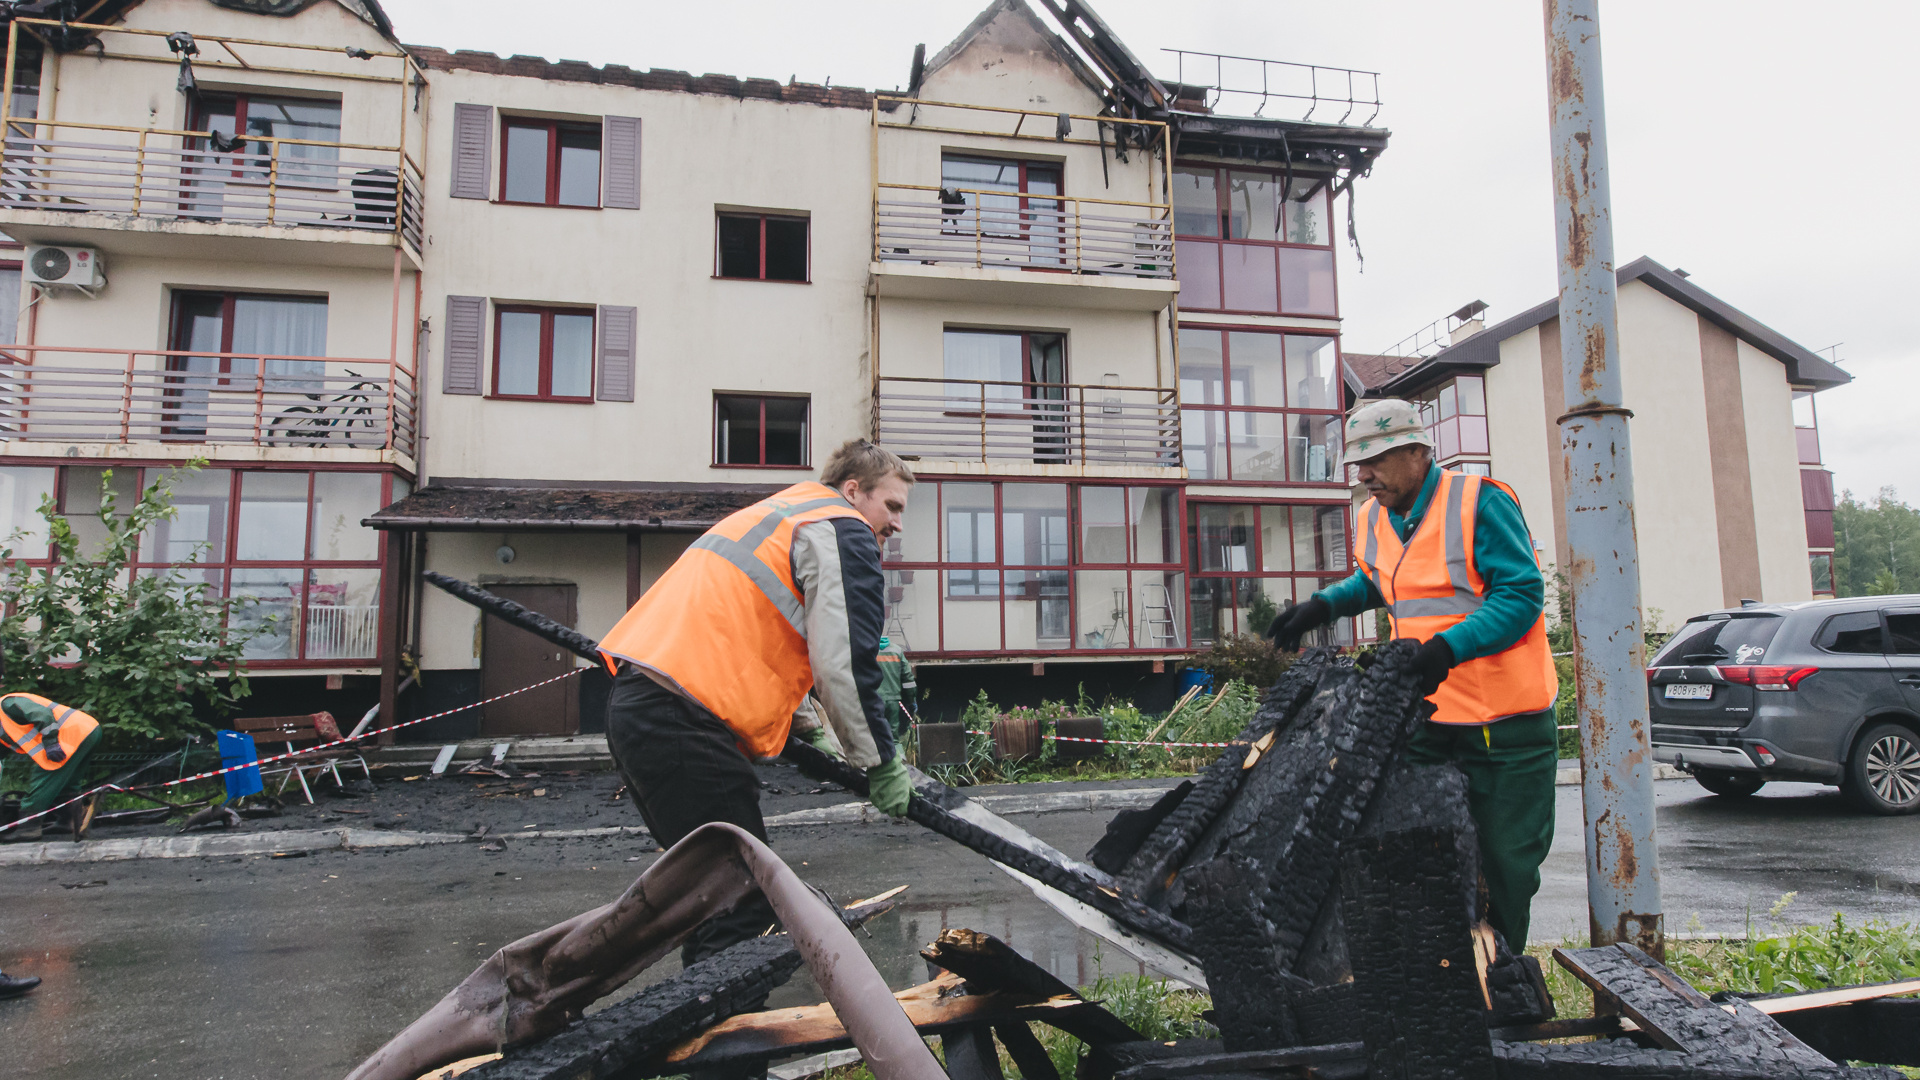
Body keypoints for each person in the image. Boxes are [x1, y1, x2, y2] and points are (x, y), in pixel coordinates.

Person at [596, 439, 914, 966]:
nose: (896, 525)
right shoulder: (840, 526)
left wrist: (800, 721)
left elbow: (767, 634)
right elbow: (845, 658)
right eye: (893, 506)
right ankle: (730, 1044)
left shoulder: (781, 513)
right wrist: (879, 761)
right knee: (740, 906)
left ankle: (701, 1038)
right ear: (853, 491)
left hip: (643, 705)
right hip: (684, 721)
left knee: (709, 902)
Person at [1268, 398, 1558, 948]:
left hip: (1505, 727)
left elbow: (1521, 596)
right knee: (1416, 857)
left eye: (1375, 458)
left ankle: (1500, 987)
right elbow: (1382, 581)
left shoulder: (1479, 503)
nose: (1364, 474)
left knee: (1504, 869)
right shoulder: (1373, 516)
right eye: (1357, 463)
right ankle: (1436, 985)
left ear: (1418, 451)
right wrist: (1324, 606)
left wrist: (1446, 650)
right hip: (1427, 721)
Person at [0, 682, 102, 844]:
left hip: (71, 734)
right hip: (88, 730)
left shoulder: (8, 704)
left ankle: (28, 828)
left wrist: (51, 743)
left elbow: (43, 715)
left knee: (43, 780)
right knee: (69, 783)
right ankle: (68, 821)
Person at [876, 635, 917, 739]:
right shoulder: (897, 650)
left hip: (873, 700)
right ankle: (897, 754)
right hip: (893, 700)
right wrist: (911, 701)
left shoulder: (868, 649)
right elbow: (908, 679)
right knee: (893, 737)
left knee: (874, 736)